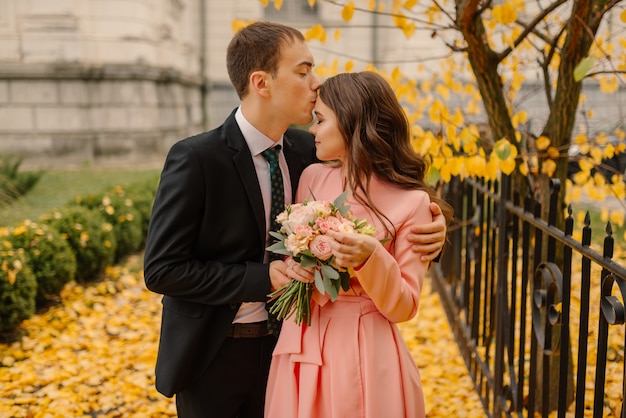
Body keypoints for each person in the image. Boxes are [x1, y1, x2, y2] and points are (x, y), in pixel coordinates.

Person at [143, 22, 448, 418]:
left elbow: (378, 204)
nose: (315, 84)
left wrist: (432, 235)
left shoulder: (313, 152)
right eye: (303, 72)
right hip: (214, 355)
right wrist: (264, 277)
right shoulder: (197, 159)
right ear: (261, 82)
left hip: (293, 348)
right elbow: (163, 269)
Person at [264, 71, 455, 418]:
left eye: (320, 120)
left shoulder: (412, 204)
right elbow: (292, 251)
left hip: (365, 350)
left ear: (352, 123)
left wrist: (372, 257)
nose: (311, 130)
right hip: (302, 340)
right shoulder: (311, 177)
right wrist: (296, 268)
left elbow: (404, 307)